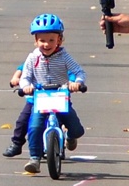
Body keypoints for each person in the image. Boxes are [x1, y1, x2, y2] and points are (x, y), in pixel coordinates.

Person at [19, 13, 86, 174]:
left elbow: (78, 71)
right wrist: (26, 86)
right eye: (42, 40)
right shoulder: (32, 58)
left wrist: (77, 82)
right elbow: (25, 76)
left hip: (60, 96)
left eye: (51, 40)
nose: (46, 44)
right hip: (40, 98)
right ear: (36, 41)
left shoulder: (64, 56)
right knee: (34, 127)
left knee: (76, 129)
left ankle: (70, 136)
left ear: (59, 40)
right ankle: (35, 158)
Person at [2, 64, 30, 157]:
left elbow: (72, 72)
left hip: (57, 97)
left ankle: (68, 137)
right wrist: (16, 78)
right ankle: (17, 144)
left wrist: (73, 82)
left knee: (67, 119)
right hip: (36, 99)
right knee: (22, 121)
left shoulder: (62, 58)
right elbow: (22, 68)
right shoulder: (35, 57)